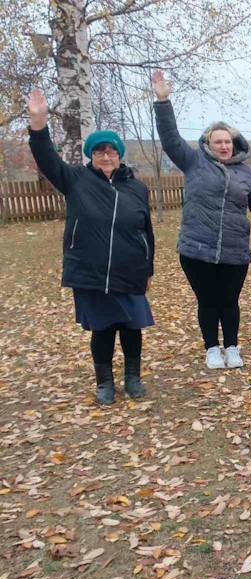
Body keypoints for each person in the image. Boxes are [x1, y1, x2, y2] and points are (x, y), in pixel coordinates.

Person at [26, 89, 155, 406]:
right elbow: (45, 158)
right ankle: (104, 383)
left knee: (132, 327)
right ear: (91, 155)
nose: (107, 155)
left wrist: (148, 267)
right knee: (103, 329)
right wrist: (39, 122)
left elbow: (146, 231)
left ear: (120, 155)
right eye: (99, 151)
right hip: (90, 270)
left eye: (112, 150)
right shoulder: (75, 180)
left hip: (129, 271)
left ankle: (133, 379)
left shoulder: (137, 188)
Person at [152, 70, 251, 370]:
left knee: (229, 301)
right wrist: (163, 101)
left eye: (228, 142)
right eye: (218, 142)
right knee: (207, 300)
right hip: (196, 248)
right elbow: (170, 139)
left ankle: (231, 347)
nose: (224, 146)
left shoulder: (248, 174)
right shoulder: (193, 162)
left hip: (234, 250)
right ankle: (212, 348)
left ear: (235, 144)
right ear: (208, 143)